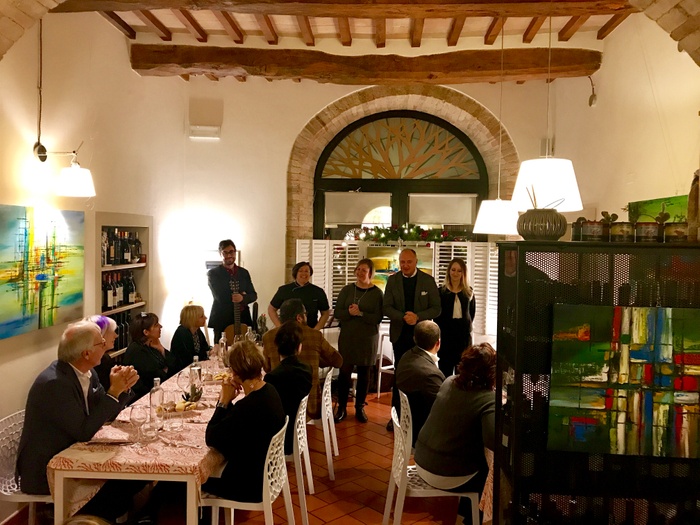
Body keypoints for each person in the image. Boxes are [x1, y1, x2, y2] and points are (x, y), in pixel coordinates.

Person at [16, 321, 139, 520]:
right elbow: (84, 431)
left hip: (72, 454)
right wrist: (113, 392)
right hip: (46, 470)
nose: (106, 345)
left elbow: (103, 414)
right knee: (123, 480)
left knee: (133, 474)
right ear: (86, 354)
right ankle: (85, 519)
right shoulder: (55, 383)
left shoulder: (87, 372)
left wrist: (122, 388)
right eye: (101, 343)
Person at [415, 343, 496, 524]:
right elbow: (492, 440)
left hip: (421, 460)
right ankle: (472, 519)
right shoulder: (487, 399)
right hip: (444, 474)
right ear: (491, 374)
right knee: (491, 473)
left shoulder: (448, 382)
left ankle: (465, 513)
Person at [203, 340, 285, 503]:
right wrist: (228, 402)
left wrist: (223, 402)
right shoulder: (270, 390)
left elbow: (212, 438)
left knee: (181, 482)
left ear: (234, 372)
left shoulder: (248, 406)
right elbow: (235, 426)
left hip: (247, 486)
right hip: (269, 475)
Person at [383, 248, 441, 429]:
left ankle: (420, 417)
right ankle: (396, 416)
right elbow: (386, 307)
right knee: (400, 375)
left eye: (409, 262)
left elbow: (436, 308)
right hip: (400, 334)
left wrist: (417, 317)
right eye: (402, 262)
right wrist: (403, 317)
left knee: (422, 374)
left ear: (416, 262)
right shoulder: (392, 281)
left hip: (422, 336)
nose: (405, 265)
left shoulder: (428, 281)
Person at [263, 298, 342, 419]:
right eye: (305, 314)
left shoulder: (268, 337)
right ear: (299, 317)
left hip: (279, 405)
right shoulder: (314, 335)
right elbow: (338, 361)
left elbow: (267, 368)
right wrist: (318, 362)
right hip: (310, 404)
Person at [333, 258, 384, 424]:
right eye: (358, 269)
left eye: (364, 270)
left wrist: (361, 313)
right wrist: (349, 313)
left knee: (364, 373)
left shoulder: (377, 293)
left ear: (370, 273)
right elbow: (338, 313)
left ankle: (360, 407)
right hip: (348, 337)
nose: (360, 273)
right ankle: (341, 408)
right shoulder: (347, 290)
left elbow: (378, 317)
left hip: (367, 338)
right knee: (344, 372)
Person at [263, 321, 312, 454]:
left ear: (277, 346)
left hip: (281, 439)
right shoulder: (307, 369)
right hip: (297, 431)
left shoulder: (273, 377)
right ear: (299, 347)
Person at [396, 321, 445, 445]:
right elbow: (442, 408)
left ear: (414, 339)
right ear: (438, 343)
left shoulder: (406, 355)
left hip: (409, 424)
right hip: (424, 433)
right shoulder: (430, 374)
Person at [207, 239, 258, 342]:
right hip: (222, 319)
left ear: (235, 252)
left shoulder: (244, 273)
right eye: (225, 253)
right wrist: (240, 294)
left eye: (231, 252)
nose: (229, 255)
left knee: (245, 348)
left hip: (243, 319)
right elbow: (220, 297)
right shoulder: (213, 274)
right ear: (220, 254)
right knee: (222, 349)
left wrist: (242, 297)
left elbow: (253, 295)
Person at [434, 257, 476, 378]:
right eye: (453, 270)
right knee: (445, 373)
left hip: (463, 339)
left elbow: (471, 313)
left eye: (459, 270)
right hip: (446, 339)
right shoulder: (441, 292)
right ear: (449, 271)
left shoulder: (469, 292)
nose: (455, 273)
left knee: (463, 374)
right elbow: (437, 315)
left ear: (463, 273)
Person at [122, 312, 177, 400]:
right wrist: (165, 370)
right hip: (142, 398)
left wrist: (161, 349)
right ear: (146, 332)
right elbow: (157, 377)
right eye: (156, 325)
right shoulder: (137, 350)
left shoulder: (151, 345)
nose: (161, 327)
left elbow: (174, 365)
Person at [268, 261, 330, 330]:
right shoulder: (284, 290)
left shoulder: (318, 291)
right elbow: (271, 309)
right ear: (295, 273)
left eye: (306, 271)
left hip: (310, 330)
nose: (304, 274)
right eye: (300, 271)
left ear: (310, 274)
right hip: (287, 331)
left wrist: (315, 330)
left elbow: (325, 313)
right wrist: (279, 327)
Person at [170, 304, 210, 373]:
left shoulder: (197, 331)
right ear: (193, 319)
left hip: (194, 367)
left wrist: (211, 350)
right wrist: (207, 353)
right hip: (181, 371)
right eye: (201, 316)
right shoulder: (182, 332)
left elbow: (205, 347)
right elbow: (188, 357)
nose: (205, 318)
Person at [86, 315, 120, 391]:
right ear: (101, 335)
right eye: (112, 331)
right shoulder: (94, 363)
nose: (116, 335)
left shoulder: (105, 358)